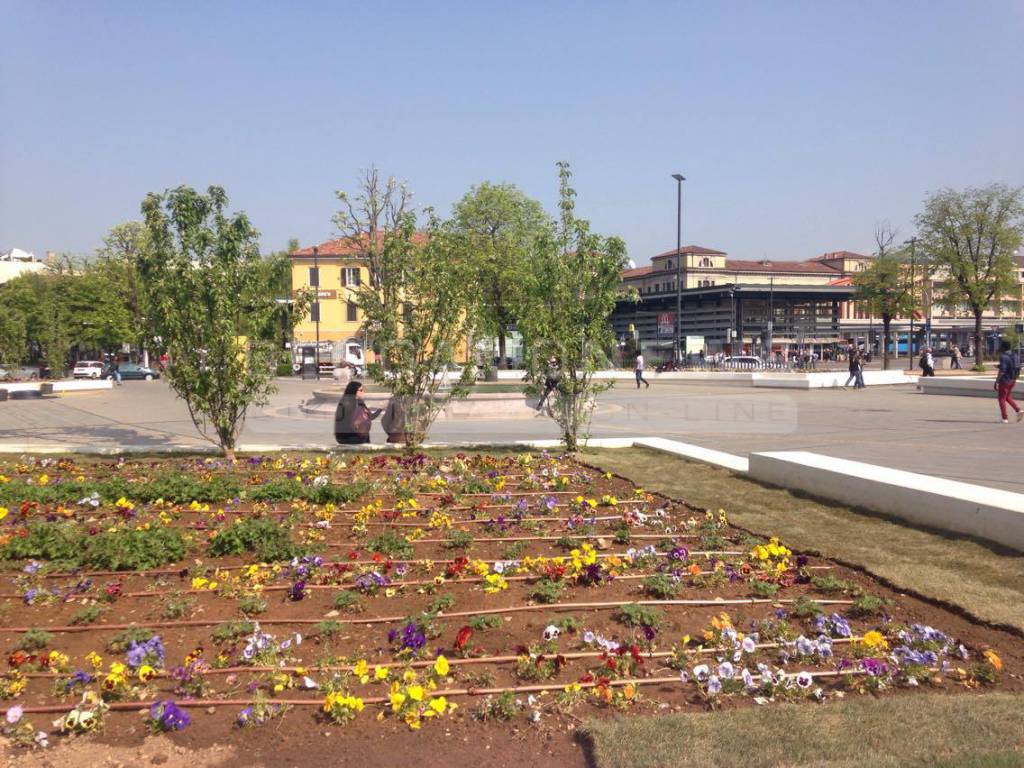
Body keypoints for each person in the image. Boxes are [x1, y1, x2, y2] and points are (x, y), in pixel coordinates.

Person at [994, 340, 1022, 424]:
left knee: (1001, 399)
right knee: (1008, 396)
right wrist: (999, 366)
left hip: (1005, 380)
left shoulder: (1003, 356)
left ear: (1003, 347)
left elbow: (1002, 371)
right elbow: (1015, 366)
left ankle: (1004, 418)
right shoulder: (1015, 355)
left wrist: (997, 381)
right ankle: (1018, 410)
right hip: (1013, 379)